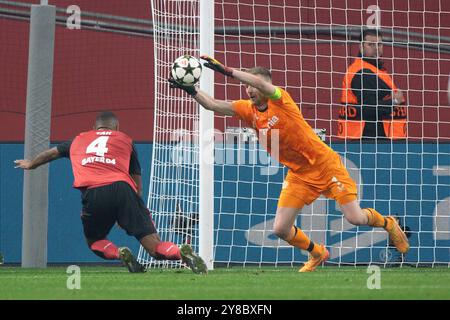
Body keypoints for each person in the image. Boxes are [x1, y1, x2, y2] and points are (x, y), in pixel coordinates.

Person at [169, 55, 410, 272]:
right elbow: (212, 105)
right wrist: (190, 89)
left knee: (355, 218)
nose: (249, 90)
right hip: (299, 174)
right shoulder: (247, 109)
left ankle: (388, 223)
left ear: (264, 85)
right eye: (247, 86)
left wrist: (226, 70)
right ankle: (318, 253)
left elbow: (264, 85)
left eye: (253, 85)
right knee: (280, 229)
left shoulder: (280, 99)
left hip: (325, 166)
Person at [14, 111, 207, 274]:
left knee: (95, 240)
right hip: (124, 190)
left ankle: (119, 253)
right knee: (154, 247)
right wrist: (130, 211)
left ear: (94, 127)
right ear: (116, 127)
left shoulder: (78, 140)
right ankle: (180, 252)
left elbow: (52, 153)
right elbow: (136, 181)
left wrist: (31, 164)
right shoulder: (125, 139)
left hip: (94, 191)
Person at [338, 28, 407, 140]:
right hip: (371, 139)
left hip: (374, 138)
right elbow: (368, 108)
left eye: (379, 44)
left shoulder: (373, 69)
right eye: (371, 44)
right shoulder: (363, 72)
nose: (376, 48)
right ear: (361, 47)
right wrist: (394, 102)